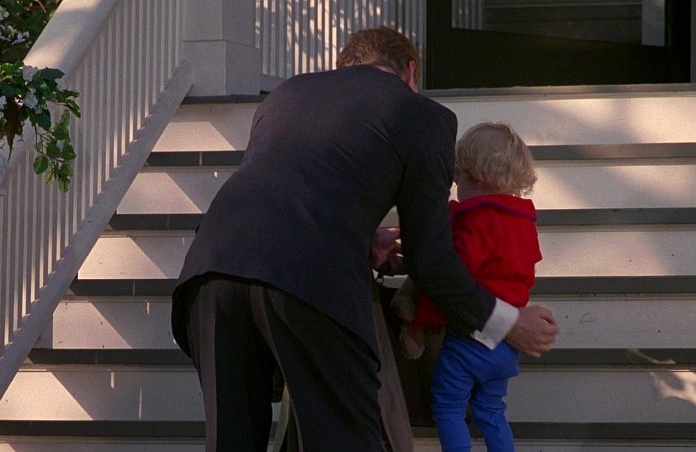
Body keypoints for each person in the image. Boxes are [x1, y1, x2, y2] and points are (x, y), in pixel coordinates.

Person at [170, 26, 558, 452]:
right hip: (309, 282)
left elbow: (286, 199)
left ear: (344, 68)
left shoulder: (286, 95)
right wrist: (507, 323)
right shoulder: (424, 116)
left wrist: (362, 239)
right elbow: (431, 261)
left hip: (211, 271)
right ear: (410, 71)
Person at [393, 122, 541, 451]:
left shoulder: (478, 222)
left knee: (448, 407)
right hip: (506, 344)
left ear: (477, 178)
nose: (454, 184)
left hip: (470, 341)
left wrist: (419, 325)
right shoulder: (523, 222)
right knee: (491, 411)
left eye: (458, 176)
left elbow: (450, 278)